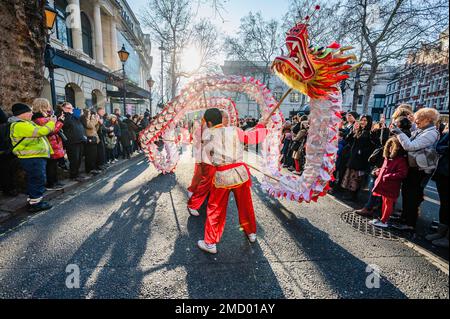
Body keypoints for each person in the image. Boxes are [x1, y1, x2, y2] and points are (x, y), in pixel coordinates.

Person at [196, 108, 268, 254]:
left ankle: (210, 243)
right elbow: (251, 138)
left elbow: (206, 157)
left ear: (209, 122)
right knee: (245, 205)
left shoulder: (207, 135)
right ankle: (251, 233)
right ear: (221, 119)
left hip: (222, 175)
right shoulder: (235, 130)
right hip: (240, 173)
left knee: (215, 208)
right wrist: (261, 125)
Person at [391, 108, 440, 231]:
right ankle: (404, 217)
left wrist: (399, 133)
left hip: (420, 170)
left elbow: (410, 146)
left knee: (413, 196)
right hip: (414, 167)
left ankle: (409, 223)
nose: (416, 121)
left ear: (428, 120)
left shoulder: (431, 133)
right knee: (407, 194)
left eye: (419, 119)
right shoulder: (422, 129)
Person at [9, 103, 55, 212]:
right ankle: (36, 204)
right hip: (31, 157)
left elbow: (40, 129)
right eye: (29, 112)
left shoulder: (27, 123)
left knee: (36, 179)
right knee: (37, 179)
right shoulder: (19, 125)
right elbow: (41, 131)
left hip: (34, 157)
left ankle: (34, 200)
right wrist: (52, 123)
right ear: (22, 114)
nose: (31, 114)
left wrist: (48, 121)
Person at [368, 136, 409, 228]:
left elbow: (402, 174)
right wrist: (378, 171)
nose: (390, 148)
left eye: (392, 146)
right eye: (389, 145)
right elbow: (384, 169)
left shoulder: (400, 160)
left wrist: (387, 176)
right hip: (384, 184)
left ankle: (384, 221)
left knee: (388, 204)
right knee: (384, 202)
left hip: (391, 185)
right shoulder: (388, 158)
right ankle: (382, 218)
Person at [32, 98, 65, 190]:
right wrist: (60, 122)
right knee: (50, 165)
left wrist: (57, 120)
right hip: (48, 143)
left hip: (53, 143)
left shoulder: (45, 116)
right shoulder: (38, 118)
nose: (49, 106)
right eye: (48, 105)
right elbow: (51, 131)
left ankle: (55, 181)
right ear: (43, 106)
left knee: (53, 165)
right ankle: (51, 184)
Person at [340, 115, 375, 201]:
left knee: (356, 177)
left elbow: (370, 147)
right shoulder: (358, 131)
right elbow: (348, 139)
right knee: (350, 176)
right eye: (361, 120)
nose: (363, 122)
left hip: (361, 160)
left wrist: (361, 152)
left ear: (369, 122)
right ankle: (349, 193)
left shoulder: (370, 133)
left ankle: (353, 195)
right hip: (353, 157)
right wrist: (353, 131)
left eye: (365, 120)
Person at [426, 125, 448, 247]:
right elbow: (439, 146)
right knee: (445, 204)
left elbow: (440, 147)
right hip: (444, 172)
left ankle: (447, 237)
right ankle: (441, 232)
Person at [61, 102, 86, 181]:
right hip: (72, 142)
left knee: (79, 159)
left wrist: (80, 114)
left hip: (80, 140)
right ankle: (73, 175)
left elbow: (82, 123)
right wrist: (69, 114)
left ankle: (77, 174)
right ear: (64, 109)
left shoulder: (74, 116)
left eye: (71, 107)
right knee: (74, 159)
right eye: (68, 108)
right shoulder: (64, 116)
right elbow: (66, 124)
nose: (71, 109)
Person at [0, 106, 20, 196]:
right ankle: (9, 189)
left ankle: (8, 188)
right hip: (3, 149)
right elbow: (3, 118)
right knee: (6, 169)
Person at [81, 109, 100, 175]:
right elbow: (90, 126)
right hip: (89, 139)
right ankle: (89, 169)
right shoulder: (85, 119)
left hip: (94, 139)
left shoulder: (89, 120)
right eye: (89, 114)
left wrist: (97, 122)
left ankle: (93, 168)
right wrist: (93, 119)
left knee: (94, 156)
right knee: (90, 156)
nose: (90, 115)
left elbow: (95, 129)